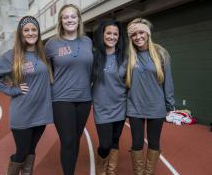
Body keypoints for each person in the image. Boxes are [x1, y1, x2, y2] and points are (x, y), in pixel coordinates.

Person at [0, 16, 54, 175]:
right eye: (26, 30)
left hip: (41, 112)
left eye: (34, 29)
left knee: (31, 150)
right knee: (22, 151)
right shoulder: (13, 55)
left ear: (38, 32)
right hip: (23, 112)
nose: (30, 33)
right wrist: (11, 90)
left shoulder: (42, 53)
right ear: (21, 34)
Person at [44, 4, 93, 175]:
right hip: (61, 98)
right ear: (61, 21)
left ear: (79, 19)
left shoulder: (87, 41)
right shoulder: (52, 44)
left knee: (76, 139)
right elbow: (43, 68)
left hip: (85, 99)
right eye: (66, 17)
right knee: (67, 139)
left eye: (73, 16)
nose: (70, 19)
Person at [126, 18, 175, 175]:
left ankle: (149, 172)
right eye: (134, 34)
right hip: (135, 106)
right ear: (130, 37)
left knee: (154, 142)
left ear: (147, 34)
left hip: (156, 106)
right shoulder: (128, 55)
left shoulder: (161, 53)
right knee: (137, 143)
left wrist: (170, 104)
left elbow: (168, 81)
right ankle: (139, 173)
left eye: (141, 32)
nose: (138, 37)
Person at [92, 20, 127, 175]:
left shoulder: (124, 57)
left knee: (115, 141)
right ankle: (101, 170)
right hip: (102, 108)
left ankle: (110, 171)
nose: (112, 37)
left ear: (119, 37)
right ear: (102, 35)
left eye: (115, 34)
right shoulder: (94, 57)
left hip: (120, 105)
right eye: (109, 33)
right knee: (105, 144)